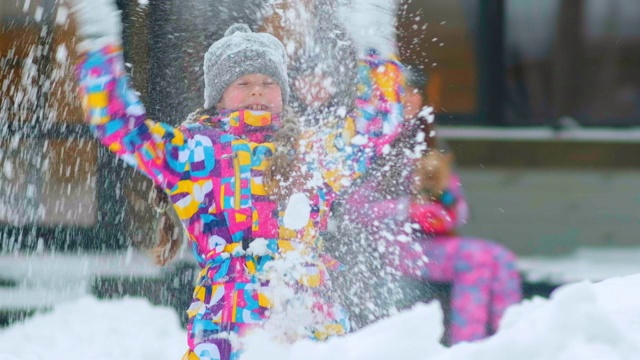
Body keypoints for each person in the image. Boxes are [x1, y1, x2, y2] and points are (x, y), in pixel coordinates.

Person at [69, 0, 405, 358]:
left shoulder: (312, 153)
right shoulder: (195, 152)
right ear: (218, 98)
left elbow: (375, 125)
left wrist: (375, 46)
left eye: (268, 82)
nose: (257, 90)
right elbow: (121, 125)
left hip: (308, 325)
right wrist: (98, 42)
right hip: (225, 327)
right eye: (242, 82)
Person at [342, 65, 522, 345]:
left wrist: (444, 213)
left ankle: (510, 342)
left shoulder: (430, 142)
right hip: (385, 248)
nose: (410, 98)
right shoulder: (369, 143)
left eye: (415, 92)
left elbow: (458, 206)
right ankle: (468, 346)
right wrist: (407, 209)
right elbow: (351, 209)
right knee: (476, 259)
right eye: (401, 92)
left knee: (501, 258)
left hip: (430, 243)